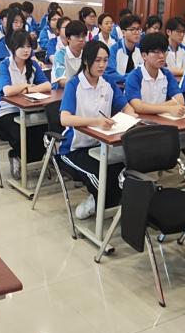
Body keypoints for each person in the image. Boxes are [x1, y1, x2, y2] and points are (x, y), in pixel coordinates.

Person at [58, 42, 136, 220]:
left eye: (105, 60)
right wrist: (96, 122)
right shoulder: (74, 84)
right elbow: (65, 119)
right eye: (97, 60)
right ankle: (97, 203)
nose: (102, 65)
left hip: (103, 146)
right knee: (101, 179)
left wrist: (131, 119)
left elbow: (126, 107)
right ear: (86, 61)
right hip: (75, 148)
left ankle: (103, 204)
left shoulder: (107, 82)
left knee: (125, 174)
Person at [0, 30, 51, 180]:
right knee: (20, 134)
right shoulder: (5, 64)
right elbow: (7, 90)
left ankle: (27, 160)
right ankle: (16, 155)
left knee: (42, 129)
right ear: (13, 48)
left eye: (28, 46)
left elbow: (47, 85)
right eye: (21, 47)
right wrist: (26, 85)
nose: (26, 50)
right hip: (6, 111)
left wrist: (29, 89)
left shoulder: (33, 64)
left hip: (29, 109)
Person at [124, 32, 185, 116]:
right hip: (140, 120)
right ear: (144, 56)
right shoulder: (134, 76)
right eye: (157, 52)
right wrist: (169, 108)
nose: (162, 56)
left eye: (164, 51)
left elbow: (180, 100)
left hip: (160, 118)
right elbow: (138, 106)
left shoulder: (167, 74)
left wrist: (150, 108)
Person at [105, 13, 144, 89]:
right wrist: (131, 78)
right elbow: (110, 74)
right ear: (123, 32)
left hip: (137, 88)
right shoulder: (114, 49)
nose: (137, 32)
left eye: (138, 29)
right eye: (132, 29)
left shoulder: (141, 48)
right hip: (118, 89)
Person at [51, 18, 87, 88]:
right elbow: (62, 82)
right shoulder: (60, 55)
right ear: (68, 39)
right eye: (77, 36)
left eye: (83, 36)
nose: (81, 39)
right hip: (61, 91)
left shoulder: (87, 54)